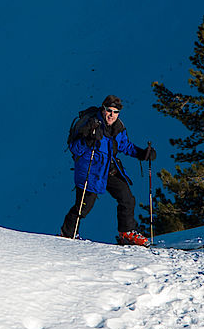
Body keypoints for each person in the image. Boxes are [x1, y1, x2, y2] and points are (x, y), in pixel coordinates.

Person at [60, 95, 156, 246]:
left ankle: (127, 232)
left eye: (116, 112)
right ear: (103, 109)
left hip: (108, 169)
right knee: (84, 206)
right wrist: (88, 140)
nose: (112, 115)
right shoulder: (90, 123)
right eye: (109, 110)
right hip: (90, 171)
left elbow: (124, 145)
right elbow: (74, 148)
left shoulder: (117, 127)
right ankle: (67, 233)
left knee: (127, 198)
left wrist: (142, 153)